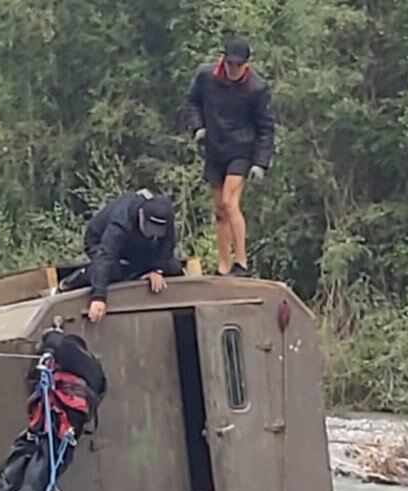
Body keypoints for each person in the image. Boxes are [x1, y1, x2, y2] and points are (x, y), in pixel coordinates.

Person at [184, 36, 276, 277]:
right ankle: (224, 266)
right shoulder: (206, 77)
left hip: (241, 151)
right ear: (223, 60)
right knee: (219, 210)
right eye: (230, 63)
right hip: (214, 148)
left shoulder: (257, 88)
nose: (233, 69)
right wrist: (198, 127)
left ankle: (242, 263)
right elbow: (192, 102)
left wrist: (260, 163)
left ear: (247, 63)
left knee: (229, 202)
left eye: (238, 65)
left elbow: (266, 127)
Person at [63, 190, 183, 323]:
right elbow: (106, 256)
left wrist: (156, 270)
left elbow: (167, 245)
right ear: (141, 215)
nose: (153, 233)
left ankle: (139, 271)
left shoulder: (165, 214)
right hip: (99, 241)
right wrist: (98, 297)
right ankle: (76, 278)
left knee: (173, 267)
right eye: (150, 228)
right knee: (114, 271)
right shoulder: (121, 221)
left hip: (137, 244)